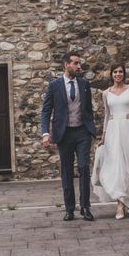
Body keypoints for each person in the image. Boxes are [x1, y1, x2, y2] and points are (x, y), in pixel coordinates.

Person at [41, 51, 96, 221]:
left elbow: (88, 109)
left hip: (82, 132)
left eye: (79, 63)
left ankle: (85, 207)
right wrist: (45, 133)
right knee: (66, 171)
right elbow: (46, 110)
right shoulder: (54, 85)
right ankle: (69, 209)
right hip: (64, 134)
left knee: (84, 167)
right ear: (66, 65)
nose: (79, 66)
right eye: (76, 63)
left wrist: (90, 128)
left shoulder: (84, 84)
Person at [93, 64, 129, 219]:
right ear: (111, 75)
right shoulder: (106, 93)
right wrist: (103, 137)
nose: (118, 74)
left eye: (120, 72)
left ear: (124, 74)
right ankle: (120, 205)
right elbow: (106, 116)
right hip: (112, 131)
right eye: (115, 72)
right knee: (117, 166)